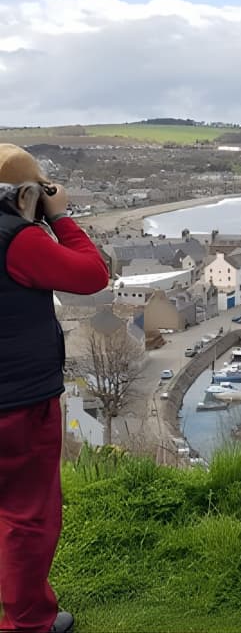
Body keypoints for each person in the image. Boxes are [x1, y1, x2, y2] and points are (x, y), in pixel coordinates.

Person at [0, 144, 109, 633]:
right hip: (18, 403)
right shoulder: (17, 240)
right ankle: (29, 623)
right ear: (26, 194)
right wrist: (60, 217)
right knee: (27, 516)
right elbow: (91, 275)